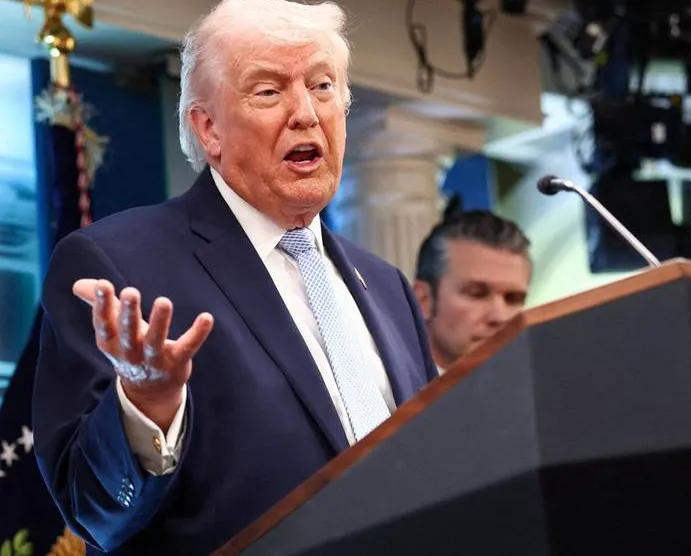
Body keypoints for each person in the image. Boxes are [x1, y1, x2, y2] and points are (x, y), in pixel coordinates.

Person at [32, 1, 437, 553]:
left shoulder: (386, 285)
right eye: (269, 92)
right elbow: (92, 511)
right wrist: (147, 406)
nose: (305, 113)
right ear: (208, 129)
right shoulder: (117, 264)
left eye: (322, 87)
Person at [413, 210, 532, 373]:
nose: (499, 317)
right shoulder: (386, 392)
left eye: (513, 298)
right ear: (423, 300)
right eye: (477, 293)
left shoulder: (544, 390)